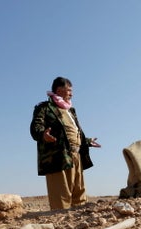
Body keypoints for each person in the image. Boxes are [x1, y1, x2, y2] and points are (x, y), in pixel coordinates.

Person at [30, 77, 101, 210]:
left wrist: (87, 141)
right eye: (69, 90)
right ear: (59, 90)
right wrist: (43, 135)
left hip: (76, 155)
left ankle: (78, 222)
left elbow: (73, 132)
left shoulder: (70, 111)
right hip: (58, 156)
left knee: (78, 193)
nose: (71, 94)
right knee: (60, 195)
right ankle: (60, 224)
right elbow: (36, 128)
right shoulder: (44, 108)